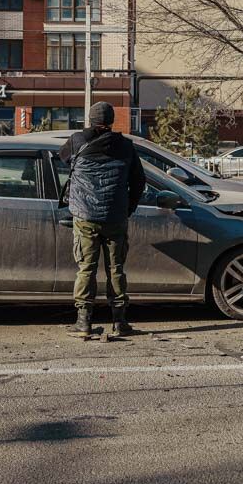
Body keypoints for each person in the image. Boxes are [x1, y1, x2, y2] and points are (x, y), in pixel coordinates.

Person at [59, 101, 146, 337]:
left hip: (85, 216)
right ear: (111, 121)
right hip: (115, 216)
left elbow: (63, 157)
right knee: (116, 268)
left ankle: (83, 321)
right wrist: (127, 208)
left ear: (90, 119)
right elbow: (139, 181)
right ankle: (119, 322)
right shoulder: (126, 145)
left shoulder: (77, 140)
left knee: (86, 268)